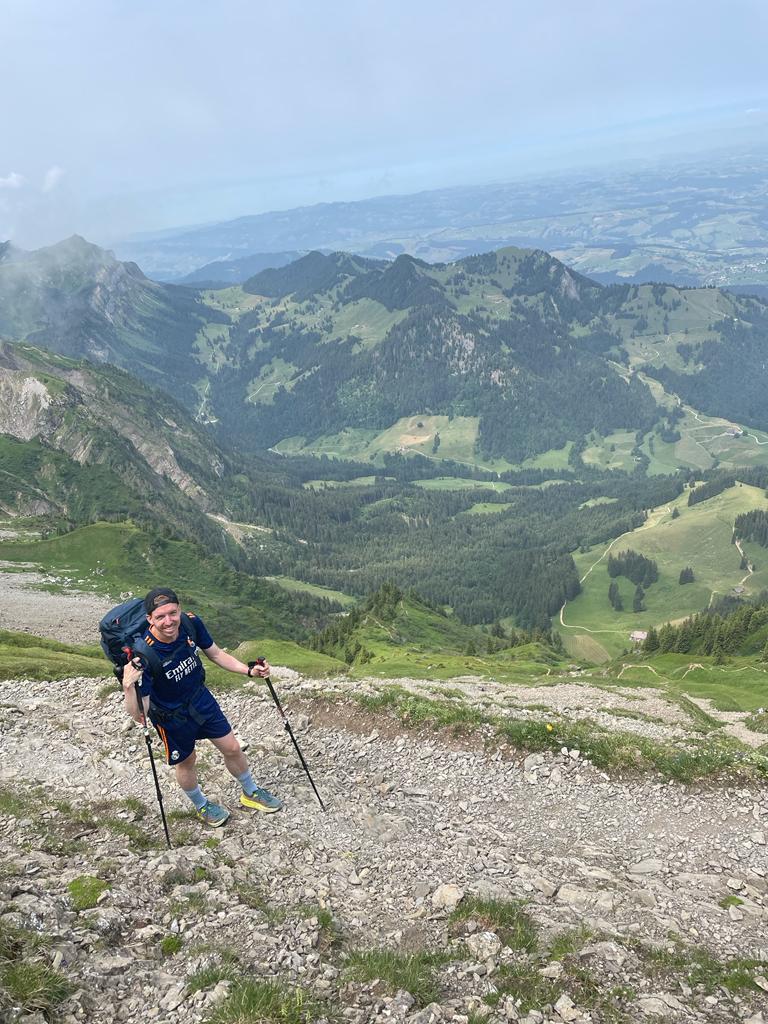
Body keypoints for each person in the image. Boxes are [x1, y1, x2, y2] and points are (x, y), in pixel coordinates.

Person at [121, 586, 282, 827]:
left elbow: (215, 654)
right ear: (149, 619)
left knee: (232, 747)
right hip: (171, 716)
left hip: (200, 699)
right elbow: (139, 715)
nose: (169, 621)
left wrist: (249, 671)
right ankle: (201, 805)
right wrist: (128, 687)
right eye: (160, 617)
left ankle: (250, 792)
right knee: (187, 761)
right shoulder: (144, 655)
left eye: (172, 613)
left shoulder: (190, 623)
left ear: (179, 610)